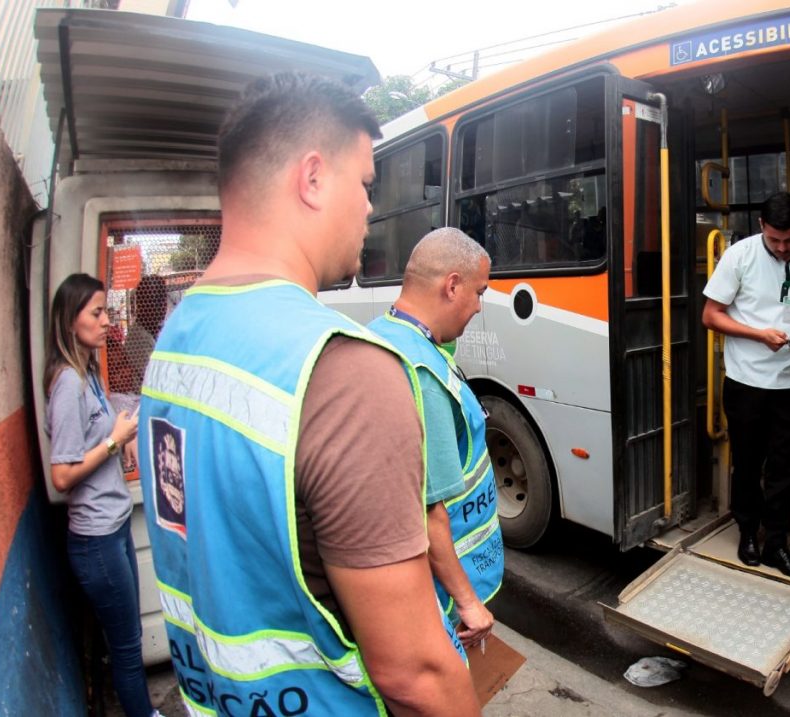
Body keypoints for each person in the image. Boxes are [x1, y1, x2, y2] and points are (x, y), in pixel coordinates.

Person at [137, 72, 479, 717]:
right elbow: (417, 675)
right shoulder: (343, 371)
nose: (371, 209)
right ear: (313, 178)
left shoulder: (178, 335)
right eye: (366, 184)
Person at [369, 227, 504, 653]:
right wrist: (469, 604)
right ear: (452, 286)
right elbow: (430, 515)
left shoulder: (381, 334)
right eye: (479, 292)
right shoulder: (424, 375)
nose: (480, 306)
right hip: (438, 602)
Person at [702, 191, 790, 582]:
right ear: (762, 227)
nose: (783, 248)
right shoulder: (739, 257)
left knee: (785, 468)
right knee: (748, 463)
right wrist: (758, 334)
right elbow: (711, 316)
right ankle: (747, 531)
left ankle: (776, 543)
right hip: (747, 381)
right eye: (775, 240)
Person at [43, 273, 163, 717]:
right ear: (69, 320)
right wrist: (114, 441)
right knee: (130, 651)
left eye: (105, 309)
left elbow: (105, 410)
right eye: (96, 312)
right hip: (94, 539)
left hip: (111, 530)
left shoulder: (88, 373)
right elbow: (61, 475)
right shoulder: (68, 383)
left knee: (127, 637)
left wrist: (123, 419)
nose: (105, 320)